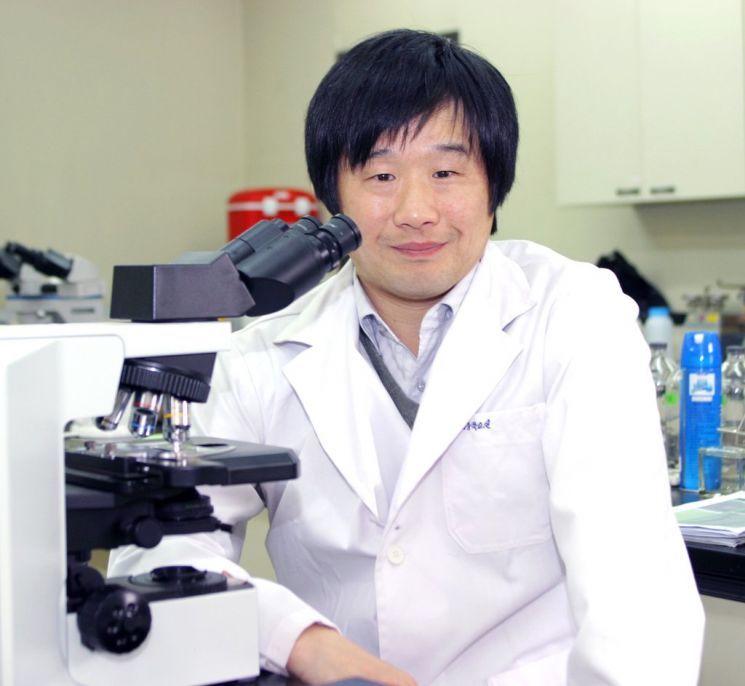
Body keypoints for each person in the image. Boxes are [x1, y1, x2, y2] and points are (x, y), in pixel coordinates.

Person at [110, 29, 704, 685]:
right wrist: (305, 643)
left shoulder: (575, 314)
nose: (416, 211)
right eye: (381, 175)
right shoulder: (260, 353)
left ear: (494, 186)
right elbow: (157, 555)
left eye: (446, 173)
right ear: (333, 197)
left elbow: (632, 580)